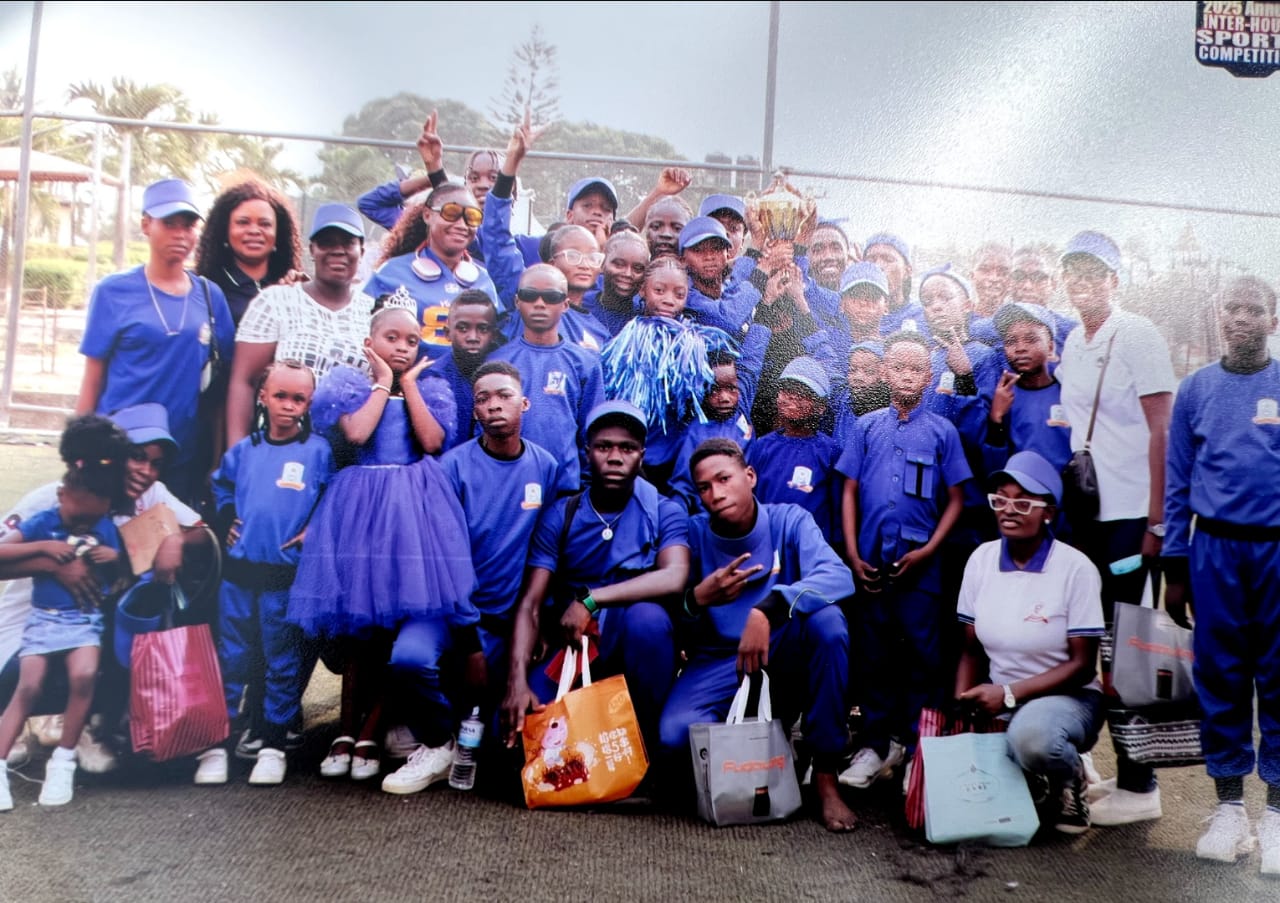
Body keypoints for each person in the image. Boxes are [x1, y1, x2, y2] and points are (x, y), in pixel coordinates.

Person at [287, 305, 475, 787]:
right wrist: (382, 381)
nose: (403, 347)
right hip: (361, 510)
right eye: (392, 338)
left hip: (412, 512)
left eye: (411, 340)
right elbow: (358, 432)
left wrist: (407, 384)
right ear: (370, 341)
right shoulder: (352, 383)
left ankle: (372, 731)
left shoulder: (427, 386)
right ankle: (345, 731)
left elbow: (431, 442)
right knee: (359, 635)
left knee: (394, 631)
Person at [659, 438, 857, 832]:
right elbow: (673, 616)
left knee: (828, 623)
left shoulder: (789, 520)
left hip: (780, 649)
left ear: (749, 476)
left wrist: (769, 608)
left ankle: (825, 774)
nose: (715, 494)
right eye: (704, 487)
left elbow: (838, 576)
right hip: (719, 660)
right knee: (675, 735)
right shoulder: (694, 534)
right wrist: (698, 599)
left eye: (724, 479)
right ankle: (765, 744)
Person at [1054, 230, 1175, 826]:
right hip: (1089, 514)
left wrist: (1158, 520)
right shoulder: (1075, 340)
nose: (1082, 283)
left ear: (1115, 281)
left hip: (1132, 516)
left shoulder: (1139, 333)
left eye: (1094, 273)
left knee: (1131, 648)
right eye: (1073, 272)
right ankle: (1119, 770)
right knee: (1096, 641)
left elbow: (1163, 431)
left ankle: (1142, 785)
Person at [1163, 276, 1280, 872]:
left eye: (1253, 310)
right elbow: (1177, 480)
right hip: (1214, 551)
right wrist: (1174, 564)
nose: (1240, 318)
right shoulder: (1196, 389)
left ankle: (1278, 813)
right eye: (1231, 308)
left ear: (1272, 321)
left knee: (1279, 675)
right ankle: (1229, 806)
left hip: (1276, 550)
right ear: (1218, 316)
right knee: (1221, 675)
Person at [501, 401, 691, 756]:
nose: (615, 458)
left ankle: (646, 747)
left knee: (647, 619)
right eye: (604, 447)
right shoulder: (563, 514)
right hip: (576, 645)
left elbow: (674, 575)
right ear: (587, 453)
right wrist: (516, 682)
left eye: (627, 448)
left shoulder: (664, 511)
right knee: (529, 730)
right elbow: (530, 604)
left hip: (635, 647)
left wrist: (590, 599)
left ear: (642, 455)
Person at [837, 331, 971, 790]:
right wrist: (853, 552)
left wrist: (930, 550)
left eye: (916, 369)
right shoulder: (866, 427)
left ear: (929, 376)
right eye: (898, 367)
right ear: (884, 372)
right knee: (872, 652)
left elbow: (957, 497)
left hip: (921, 568)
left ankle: (917, 747)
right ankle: (876, 745)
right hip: (872, 564)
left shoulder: (942, 431)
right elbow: (849, 489)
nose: (907, 376)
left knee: (921, 655)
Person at [196, 361, 334, 787]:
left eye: (298, 399)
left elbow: (332, 495)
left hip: (283, 578)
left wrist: (315, 526)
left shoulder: (318, 451)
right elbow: (220, 486)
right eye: (280, 396)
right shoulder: (244, 450)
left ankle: (273, 746)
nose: (288, 406)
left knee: (282, 661)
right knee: (231, 658)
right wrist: (226, 518)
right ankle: (217, 746)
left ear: (309, 404)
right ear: (263, 397)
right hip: (238, 575)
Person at [954, 451, 1106, 834]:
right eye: (1001, 500)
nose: (1009, 510)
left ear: (1048, 513)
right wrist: (963, 706)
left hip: (1068, 700)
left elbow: (1082, 666)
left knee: (1034, 741)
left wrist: (1008, 694)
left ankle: (1070, 777)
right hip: (1000, 699)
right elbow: (970, 649)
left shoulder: (1076, 569)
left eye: (1023, 503)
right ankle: (1033, 775)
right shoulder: (981, 560)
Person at [76, 178, 237, 504]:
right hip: (117, 451)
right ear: (146, 225)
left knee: (169, 535)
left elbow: (220, 392)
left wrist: (216, 458)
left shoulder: (210, 297)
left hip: (177, 455)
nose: (180, 234)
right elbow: (93, 378)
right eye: (169, 223)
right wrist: (79, 450)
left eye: (188, 225)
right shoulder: (113, 291)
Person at [441, 361, 574, 732]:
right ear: (474, 411)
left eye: (504, 395)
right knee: (412, 660)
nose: (494, 405)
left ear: (525, 403)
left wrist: (540, 623)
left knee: (498, 729)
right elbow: (446, 562)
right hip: (460, 615)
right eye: (483, 399)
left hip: (513, 619)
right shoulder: (452, 467)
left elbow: (545, 553)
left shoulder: (545, 467)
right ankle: (431, 734)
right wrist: (470, 645)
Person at [0, 445, 128, 810]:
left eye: (92, 518)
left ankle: (63, 762)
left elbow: (125, 566)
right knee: (29, 685)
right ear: (62, 495)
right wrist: (44, 549)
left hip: (84, 622)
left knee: (84, 676)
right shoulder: (43, 520)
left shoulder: (104, 524)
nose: (83, 525)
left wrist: (114, 556)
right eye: (77, 516)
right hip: (43, 620)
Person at [225, 203, 376, 446]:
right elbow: (244, 381)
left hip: (349, 453)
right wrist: (238, 454)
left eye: (348, 243)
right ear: (312, 249)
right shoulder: (276, 301)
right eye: (327, 242)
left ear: (361, 250)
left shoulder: (374, 312)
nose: (338, 251)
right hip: (281, 447)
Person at [489, 265, 605, 489]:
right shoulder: (498, 361)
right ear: (517, 301)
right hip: (507, 483)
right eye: (530, 295)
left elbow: (592, 433)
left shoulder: (585, 363)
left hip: (565, 487)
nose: (540, 304)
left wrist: (585, 486)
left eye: (551, 297)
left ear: (565, 304)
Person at [362, 183, 499, 361]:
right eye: (451, 213)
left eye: (472, 217)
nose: (462, 224)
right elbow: (366, 334)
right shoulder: (392, 273)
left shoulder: (485, 280)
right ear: (427, 215)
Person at [746, 357, 844, 546]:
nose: (792, 397)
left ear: (821, 407)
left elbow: (838, 510)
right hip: (767, 543)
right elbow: (750, 499)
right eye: (787, 390)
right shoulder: (762, 446)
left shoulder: (830, 451)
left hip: (811, 547)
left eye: (803, 393)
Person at [195, 179, 303, 324]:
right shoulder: (204, 288)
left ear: (279, 233)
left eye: (265, 224)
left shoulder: (290, 286)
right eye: (243, 222)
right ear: (225, 230)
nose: (254, 231)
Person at [427, 290, 502, 448]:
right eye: (463, 328)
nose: (473, 337)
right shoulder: (434, 376)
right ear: (447, 333)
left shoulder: (503, 375)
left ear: (494, 334)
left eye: (483, 329)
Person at [582, 230, 649, 338]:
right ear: (602, 264)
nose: (627, 274)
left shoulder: (644, 318)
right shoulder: (580, 306)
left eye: (637, 269)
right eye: (619, 265)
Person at [968, 242, 1013, 318]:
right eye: (985, 270)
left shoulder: (1020, 321)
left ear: (1011, 280)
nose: (994, 278)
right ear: (972, 276)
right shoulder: (959, 319)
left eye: (1003, 272)